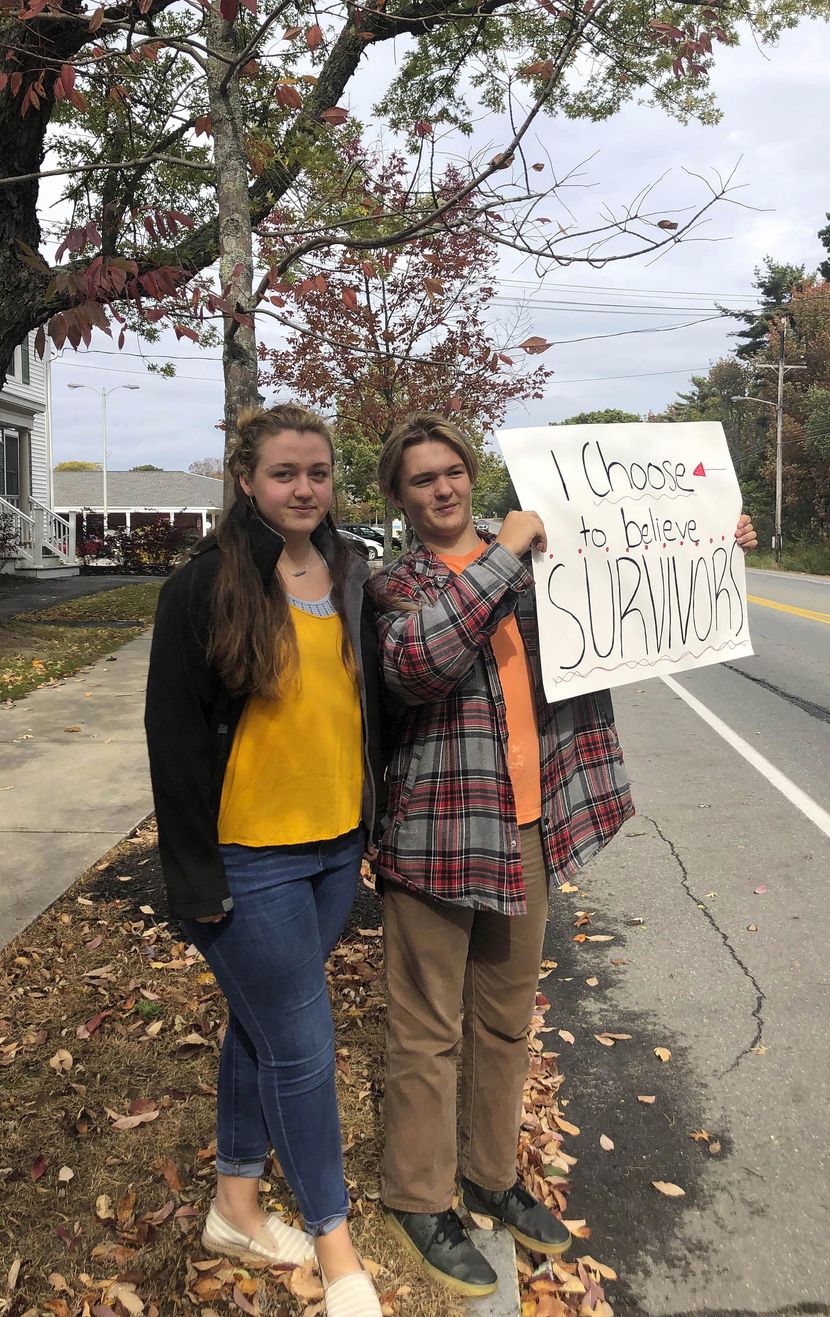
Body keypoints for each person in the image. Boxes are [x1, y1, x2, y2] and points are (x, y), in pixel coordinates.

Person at [371, 412, 758, 1298]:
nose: (443, 488)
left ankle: (490, 1174)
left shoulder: (550, 567)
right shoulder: (394, 585)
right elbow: (419, 665)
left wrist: (710, 546)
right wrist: (503, 553)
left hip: (528, 828)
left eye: (454, 472)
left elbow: (632, 602)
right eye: (422, 478)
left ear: (472, 475)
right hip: (435, 837)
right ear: (399, 494)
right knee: (427, 1028)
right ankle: (420, 1196)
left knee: (507, 1020)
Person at [144, 402, 384, 1317]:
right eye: (285, 473)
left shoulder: (352, 567)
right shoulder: (205, 585)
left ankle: (235, 1205)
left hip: (333, 850)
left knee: (262, 1028)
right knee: (304, 1048)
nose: (303, 489)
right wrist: (193, 878)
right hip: (250, 860)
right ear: (246, 479)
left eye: (317, 473)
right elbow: (174, 740)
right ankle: (336, 1244)